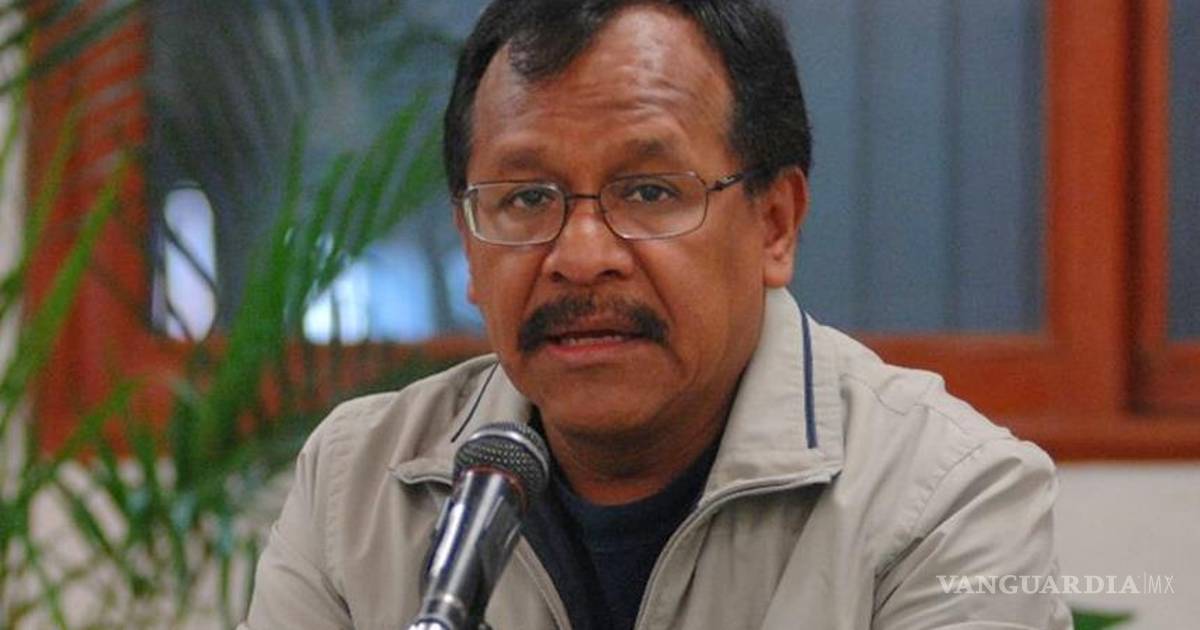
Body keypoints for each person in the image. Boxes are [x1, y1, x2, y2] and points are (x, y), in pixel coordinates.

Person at [241, 1, 1072, 628]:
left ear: (775, 225)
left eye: (647, 192)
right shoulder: (356, 484)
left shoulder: (944, 497)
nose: (581, 255)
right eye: (526, 198)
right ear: (468, 241)